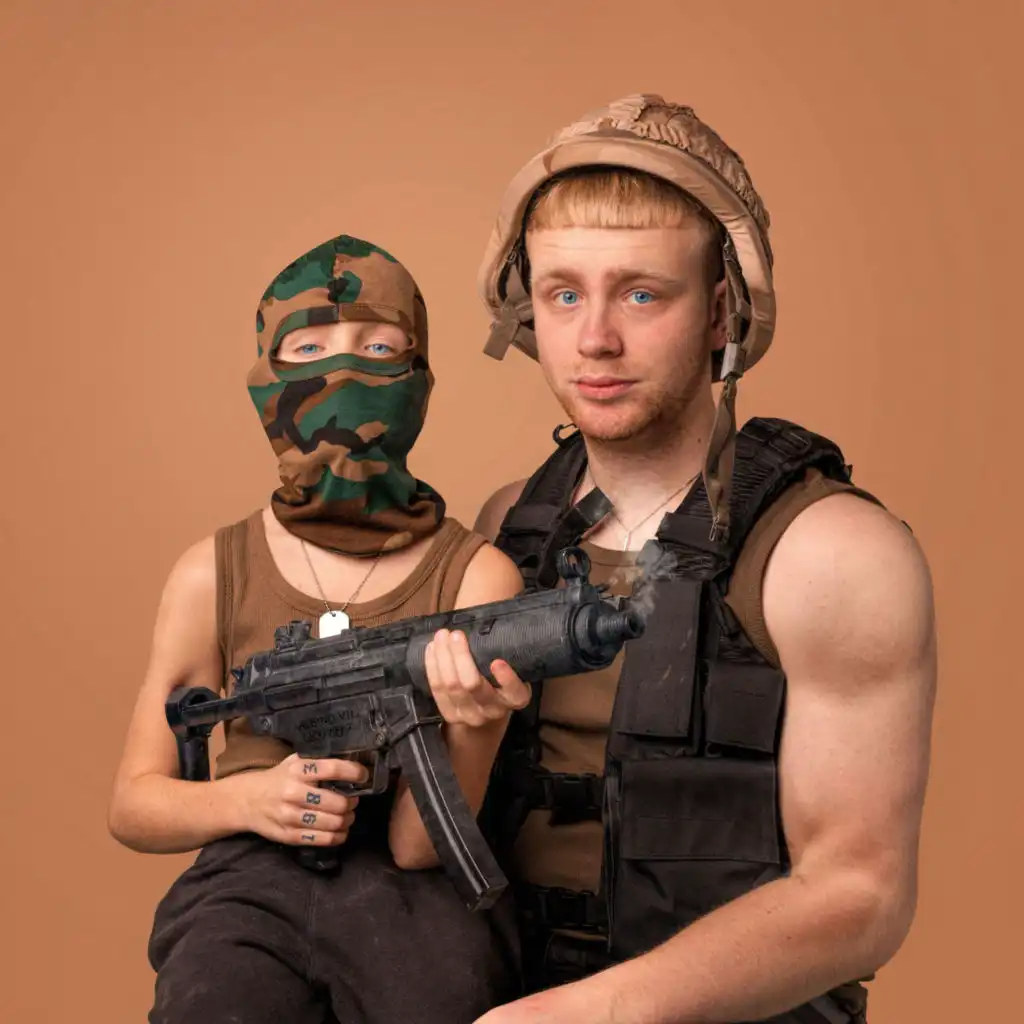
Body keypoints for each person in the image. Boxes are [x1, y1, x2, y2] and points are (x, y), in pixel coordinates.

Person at [429, 94, 938, 1023]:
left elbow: (859, 894)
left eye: (641, 294)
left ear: (720, 310)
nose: (595, 339)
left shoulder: (830, 555)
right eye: (564, 294)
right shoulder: (512, 527)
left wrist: (594, 1012)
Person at [106, 232, 533, 1024]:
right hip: (248, 884)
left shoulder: (478, 578)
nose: (345, 374)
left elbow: (417, 848)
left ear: (419, 378)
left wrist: (473, 726)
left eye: (379, 348)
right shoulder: (213, 572)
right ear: (267, 381)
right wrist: (253, 802)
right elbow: (134, 804)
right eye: (309, 349)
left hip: (413, 900)